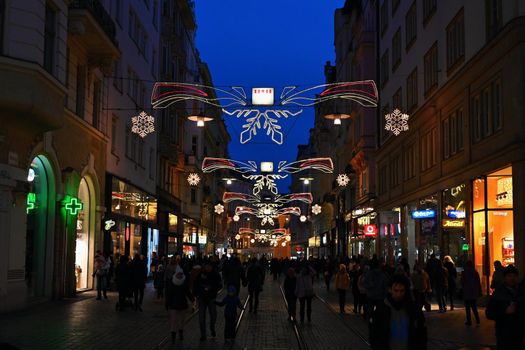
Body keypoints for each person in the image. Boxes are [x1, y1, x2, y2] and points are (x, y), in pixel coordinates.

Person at [369, 274, 427, 350]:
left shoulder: (413, 309)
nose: (398, 294)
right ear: (390, 290)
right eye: (396, 290)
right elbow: (374, 333)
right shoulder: (382, 309)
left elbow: (421, 333)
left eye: (402, 291)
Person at [486, 265, 523, 349]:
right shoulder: (498, 293)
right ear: (505, 277)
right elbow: (489, 313)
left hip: (519, 334)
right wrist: (505, 312)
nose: (512, 278)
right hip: (504, 334)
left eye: (514, 276)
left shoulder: (520, 291)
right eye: (509, 276)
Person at [193, 262, 222, 341]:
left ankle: (212, 327)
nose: (208, 268)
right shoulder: (201, 274)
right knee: (201, 317)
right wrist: (197, 293)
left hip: (211, 298)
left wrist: (212, 288)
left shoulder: (215, 275)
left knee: (213, 315)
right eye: (206, 266)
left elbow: (220, 285)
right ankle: (203, 335)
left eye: (209, 266)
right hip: (202, 298)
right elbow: (196, 284)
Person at [165, 266, 193, 344]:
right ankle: (173, 337)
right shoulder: (172, 282)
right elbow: (169, 294)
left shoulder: (184, 283)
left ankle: (181, 333)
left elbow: (188, 293)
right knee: (173, 321)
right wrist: (167, 304)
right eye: (178, 274)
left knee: (181, 321)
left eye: (181, 274)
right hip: (173, 305)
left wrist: (192, 299)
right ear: (175, 274)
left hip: (182, 304)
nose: (180, 276)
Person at [461, 260, 481, 326]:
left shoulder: (464, 272)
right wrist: (479, 291)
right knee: (474, 306)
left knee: (467, 307)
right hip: (474, 291)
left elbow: (462, 282)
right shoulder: (475, 272)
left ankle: (469, 321)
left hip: (467, 291)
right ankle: (478, 320)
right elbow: (478, 282)